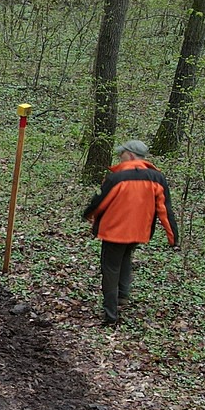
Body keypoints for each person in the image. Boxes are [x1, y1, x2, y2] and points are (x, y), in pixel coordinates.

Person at [82, 139, 178, 327]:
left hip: (114, 232)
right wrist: (173, 238)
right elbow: (165, 210)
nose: (120, 157)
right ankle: (122, 296)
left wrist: (88, 215)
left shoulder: (117, 178)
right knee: (125, 258)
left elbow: (100, 203)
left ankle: (110, 314)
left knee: (110, 268)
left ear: (131, 155)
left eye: (122, 154)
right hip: (139, 232)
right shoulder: (157, 178)